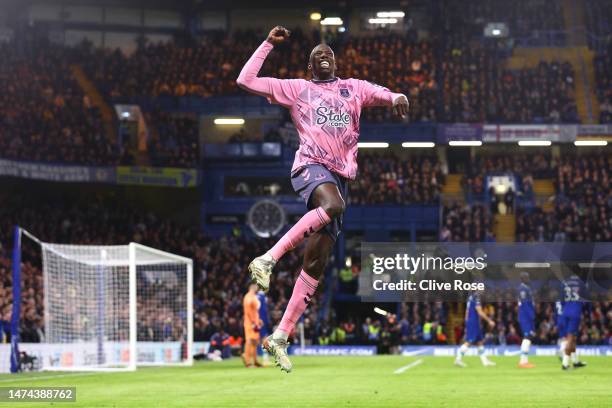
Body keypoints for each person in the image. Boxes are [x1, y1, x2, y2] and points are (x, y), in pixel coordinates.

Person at [236, 26, 409, 372]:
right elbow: (245, 80)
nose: (324, 55)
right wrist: (268, 43)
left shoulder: (353, 88)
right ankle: (268, 258)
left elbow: (381, 92)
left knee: (315, 264)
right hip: (311, 168)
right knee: (332, 206)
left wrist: (396, 97)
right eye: (317, 55)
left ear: (336, 61)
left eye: (329, 53)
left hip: (341, 177)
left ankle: (281, 336)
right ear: (309, 67)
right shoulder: (297, 89)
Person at [454, 291, 496, 367]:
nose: (483, 290)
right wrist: (489, 321)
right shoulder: (477, 297)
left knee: (479, 342)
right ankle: (458, 359)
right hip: (473, 322)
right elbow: (479, 312)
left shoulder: (470, 297)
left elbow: (467, 311)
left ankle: (485, 361)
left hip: (472, 321)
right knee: (469, 341)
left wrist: (467, 321)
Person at [560, 273, 587, 370]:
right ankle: (565, 363)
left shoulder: (564, 283)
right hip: (575, 312)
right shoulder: (581, 283)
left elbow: (561, 299)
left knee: (573, 337)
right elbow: (585, 299)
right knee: (571, 337)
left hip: (566, 311)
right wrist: (585, 311)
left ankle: (575, 361)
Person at [517, 272, 536, 368]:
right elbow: (525, 304)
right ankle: (523, 361)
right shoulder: (523, 289)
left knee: (528, 337)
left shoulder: (526, 288)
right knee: (527, 337)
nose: (528, 279)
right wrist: (531, 315)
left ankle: (524, 360)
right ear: (522, 278)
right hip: (525, 317)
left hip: (526, 316)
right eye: (526, 277)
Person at [242, 283, 262, 368]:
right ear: (253, 288)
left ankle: (255, 361)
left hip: (254, 322)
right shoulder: (249, 297)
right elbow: (248, 311)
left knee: (255, 342)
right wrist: (254, 322)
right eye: (257, 288)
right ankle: (247, 361)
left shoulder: (252, 296)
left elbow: (254, 311)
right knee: (249, 341)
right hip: (251, 323)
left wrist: (258, 320)